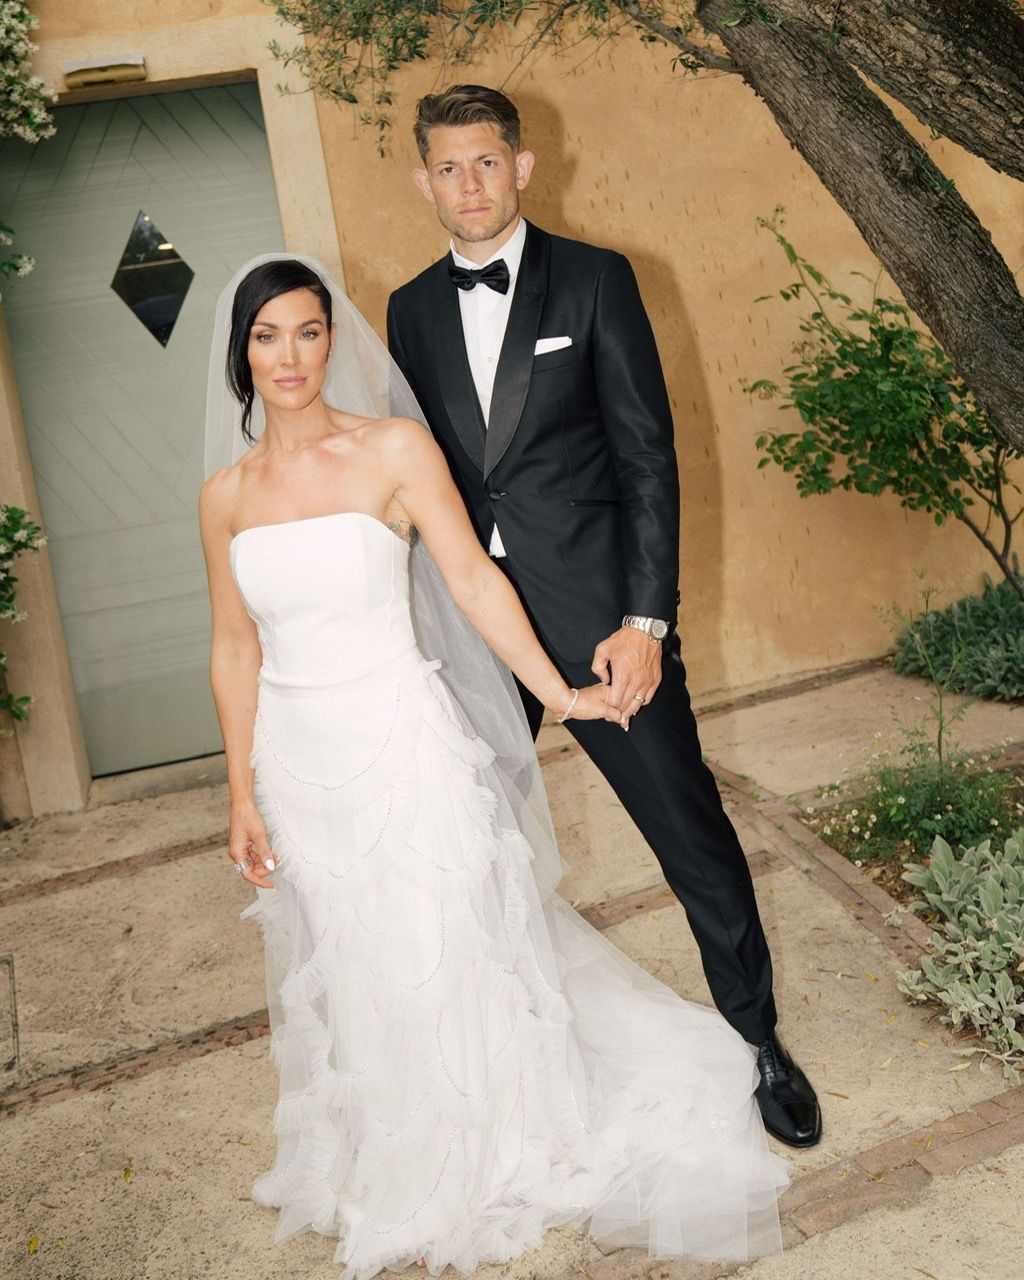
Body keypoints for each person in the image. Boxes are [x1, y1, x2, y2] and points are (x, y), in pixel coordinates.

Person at [200, 254, 788, 1279]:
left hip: (400, 735)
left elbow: (471, 578)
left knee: (446, 934)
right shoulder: (224, 495)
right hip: (301, 762)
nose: (289, 355)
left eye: (305, 330)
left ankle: (499, 1138)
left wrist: (558, 691)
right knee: (359, 953)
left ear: (330, 340)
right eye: (266, 336)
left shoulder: (392, 448)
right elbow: (234, 644)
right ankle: (406, 1140)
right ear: (241, 351)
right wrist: (243, 789)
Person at [386, 84, 821, 1150]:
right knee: (463, 848)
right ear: (422, 179)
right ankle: (495, 1065)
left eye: (486, 162)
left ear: (523, 167)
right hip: (475, 633)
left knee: (690, 831)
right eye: (448, 167)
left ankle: (758, 1039)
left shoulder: (594, 280)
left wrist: (644, 621)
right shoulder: (407, 310)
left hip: (597, 623)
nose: (469, 186)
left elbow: (644, 459)